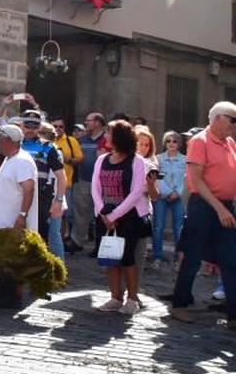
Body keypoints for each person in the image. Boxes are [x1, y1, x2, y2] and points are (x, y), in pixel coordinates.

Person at [170, 102, 236, 328]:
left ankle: (234, 315)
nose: (235, 125)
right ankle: (179, 305)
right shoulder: (200, 141)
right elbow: (196, 180)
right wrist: (220, 209)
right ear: (217, 118)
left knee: (231, 260)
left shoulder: (230, 143)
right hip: (205, 207)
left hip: (225, 207)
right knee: (192, 257)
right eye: (233, 120)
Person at [92, 120, 151, 315]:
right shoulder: (102, 160)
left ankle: (132, 299)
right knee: (111, 258)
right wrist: (104, 213)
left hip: (129, 217)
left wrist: (115, 215)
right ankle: (115, 297)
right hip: (105, 216)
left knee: (128, 259)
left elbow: (136, 193)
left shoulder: (137, 161)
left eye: (109, 133)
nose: (106, 137)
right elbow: (95, 188)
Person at [0, 125, 37, 309]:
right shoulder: (10, 159)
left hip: (11, 221)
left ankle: (11, 296)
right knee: (0, 259)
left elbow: (28, 189)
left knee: (10, 260)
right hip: (0, 221)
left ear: (9, 141)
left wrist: (22, 215)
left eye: (0, 139)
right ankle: (2, 290)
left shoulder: (22, 161)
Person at [18, 111, 66, 254]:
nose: (30, 129)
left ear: (40, 127)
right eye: (27, 125)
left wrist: (58, 201)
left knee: (39, 240)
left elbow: (61, 177)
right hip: (16, 196)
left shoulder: (48, 148)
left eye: (34, 126)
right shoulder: (14, 144)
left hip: (40, 199)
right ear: (21, 125)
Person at [71, 111, 109, 251]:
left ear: (98, 122)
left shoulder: (106, 139)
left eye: (89, 120)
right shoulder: (83, 139)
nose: (86, 123)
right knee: (80, 212)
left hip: (102, 183)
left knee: (102, 215)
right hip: (84, 180)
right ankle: (77, 241)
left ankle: (100, 246)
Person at [153, 131, 187, 266]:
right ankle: (157, 256)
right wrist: (167, 192)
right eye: (168, 141)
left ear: (179, 144)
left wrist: (177, 192)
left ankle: (178, 257)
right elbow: (156, 177)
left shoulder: (185, 159)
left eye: (174, 141)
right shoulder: (158, 159)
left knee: (179, 228)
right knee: (158, 226)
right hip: (162, 195)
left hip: (178, 196)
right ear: (164, 143)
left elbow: (186, 178)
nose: (171, 143)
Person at [52, 117, 84, 254]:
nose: (58, 129)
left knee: (66, 213)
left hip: (67, 183)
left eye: (61, 127)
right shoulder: (47, 141)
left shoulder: (71, 141)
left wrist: (68, 160)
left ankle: (63, 237)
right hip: (49, 183)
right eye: (55, 126)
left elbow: (80, 158)